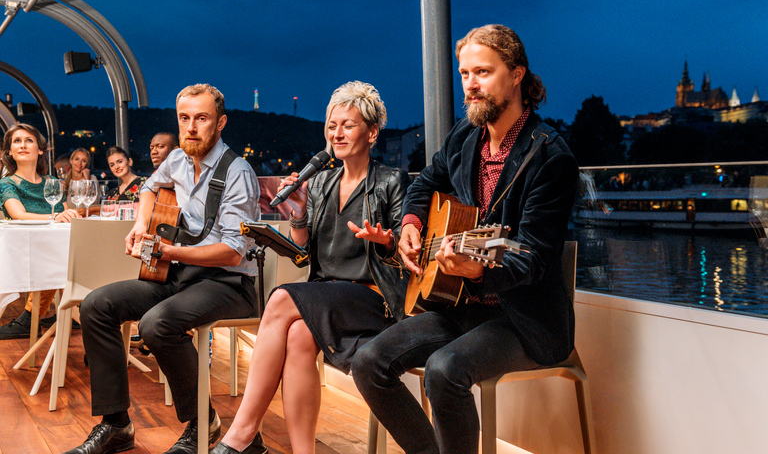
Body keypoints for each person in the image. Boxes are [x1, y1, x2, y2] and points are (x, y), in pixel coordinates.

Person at [351, 25, 580, 454]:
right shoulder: (464, 137)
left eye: (483, 72)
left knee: (444, 370)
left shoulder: (550, 157)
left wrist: (478, 271)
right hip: (459, 304)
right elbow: (423, 185)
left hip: (524, 320)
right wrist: (411, 224)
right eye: (464, 73)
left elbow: (532, 259)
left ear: (516, 75)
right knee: (367, 362)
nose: (470, 85)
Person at [211, 81, 410, 454]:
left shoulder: (390, 181)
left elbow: (405, 249)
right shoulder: (319, 182)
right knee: (299, 336)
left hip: (372, 296)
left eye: (348, 125)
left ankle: (240, 434)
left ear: (372, 132)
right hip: (326, 293)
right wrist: (299, 213)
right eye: (332, 125)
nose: (337, 133)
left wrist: (386, 242)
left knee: (282, 297)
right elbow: (302, 251)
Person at [63, 84, 262, 454]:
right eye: (184, 118)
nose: (190, 127)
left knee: (157, 324)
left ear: (220, 123)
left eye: (201, 118)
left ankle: (204, 421)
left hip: (229, 284)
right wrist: (142, 223)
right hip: (179, 276)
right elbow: (149, 189)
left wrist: (171, 251)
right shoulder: (176, 161)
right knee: (96, 304)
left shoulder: (238, 171)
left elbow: (233, 253)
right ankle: (116, 424)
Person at [0, 124, 80, 340]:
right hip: (22, 252)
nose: (23, 145)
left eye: (29, 140)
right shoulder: (6, 183)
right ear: (9, 151)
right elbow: (18, 214)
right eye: (17, 141)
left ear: (40, 149)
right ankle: (89, 321)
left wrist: (72, 216)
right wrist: (55, 217)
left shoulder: (52, 182)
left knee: (71, 258)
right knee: (61, 261)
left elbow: (66, 216)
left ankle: (32, 320)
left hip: (54, 251)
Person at [64, 147, 101, 213]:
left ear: (87, 164)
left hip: (87, 217)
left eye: (84, 161)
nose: (79, 163)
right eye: (77, 159)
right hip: (70, 217)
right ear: (71, 160)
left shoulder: (92, 178)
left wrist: (87, 180)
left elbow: (94, 203)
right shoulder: (66, 180)